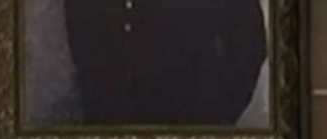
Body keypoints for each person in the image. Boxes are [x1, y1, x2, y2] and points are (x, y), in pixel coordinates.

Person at [63, 0, 267, 125]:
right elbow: (81, 39)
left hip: (189, 132)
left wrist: (211, 122)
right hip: (107, 137)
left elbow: (249, 46)